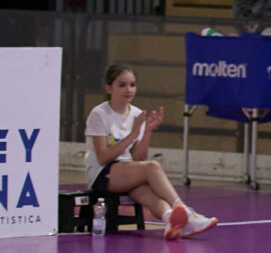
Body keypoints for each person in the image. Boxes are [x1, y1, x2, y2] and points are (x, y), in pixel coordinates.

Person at [87, 63, 215, 239]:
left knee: (146, 192)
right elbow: (103, 157)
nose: (128, 90)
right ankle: (186, 211)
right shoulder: (99, 114)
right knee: (152, 167)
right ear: (109, 88)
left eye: (132, 85)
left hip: (126, 169)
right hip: (102, 173)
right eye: (122, 85)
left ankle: (171, 219)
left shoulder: (136, 114)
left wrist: (147, 131)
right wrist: (133, 135)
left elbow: (138, 158)